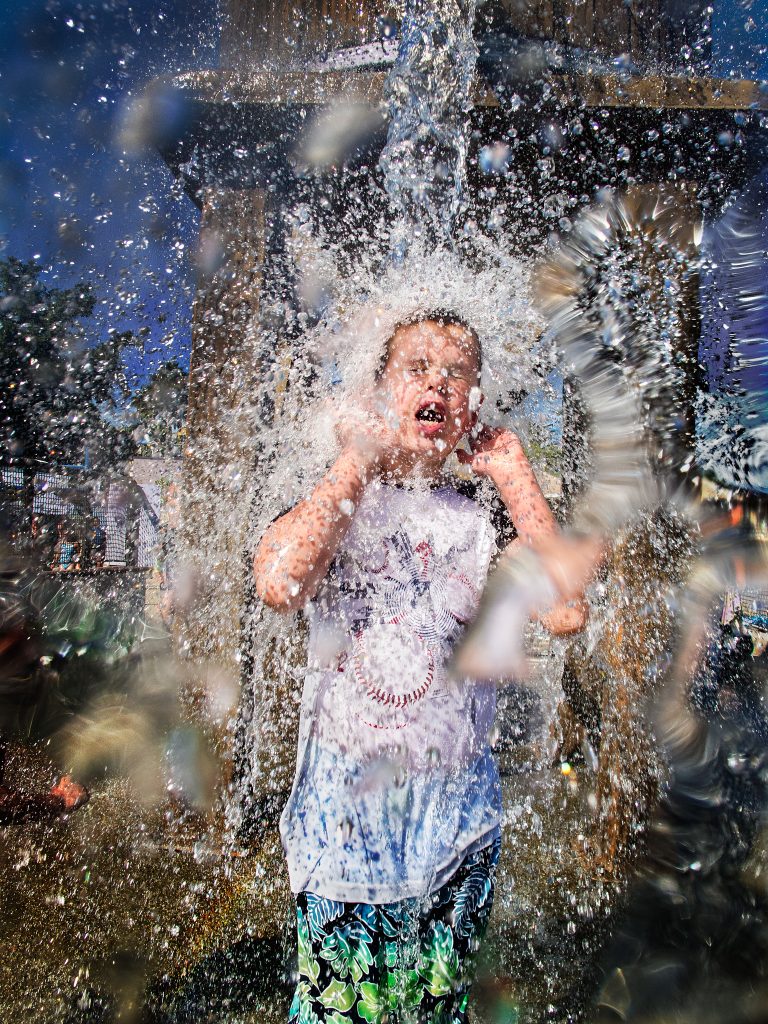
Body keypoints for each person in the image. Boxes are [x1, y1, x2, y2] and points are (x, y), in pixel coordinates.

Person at [254, 312, 584, 1023]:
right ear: (382, 393)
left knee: (439, 1011)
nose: (438, 378)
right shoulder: (340, 500)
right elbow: (280, 583)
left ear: (471, 404)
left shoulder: (482, 517)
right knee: (340, 1010)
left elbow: (565, 612)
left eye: (457, 371)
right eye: (417, 367)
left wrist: (517, 476)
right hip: (347, 824)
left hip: (456, 827)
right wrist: (357, 460)